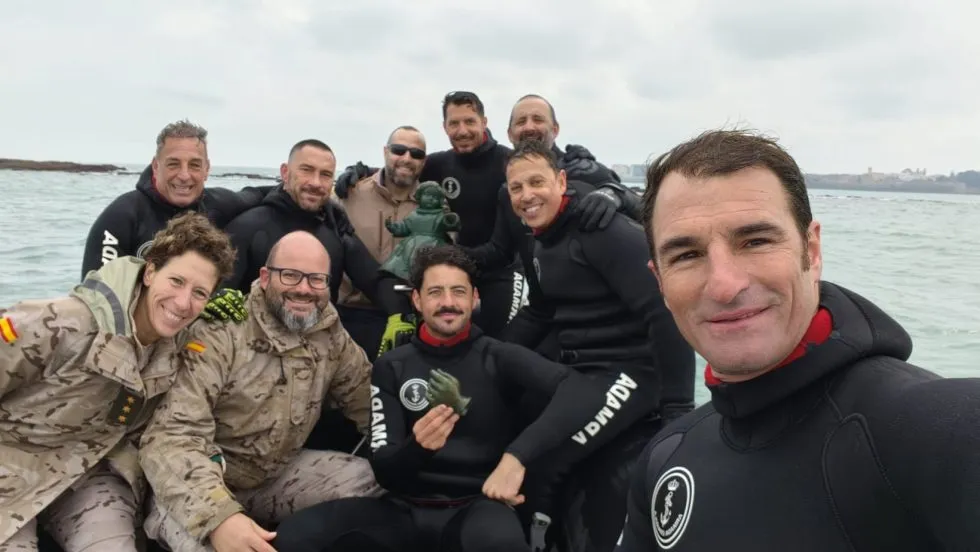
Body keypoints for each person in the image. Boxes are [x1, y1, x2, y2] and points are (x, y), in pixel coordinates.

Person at [617, 129, 980, 551]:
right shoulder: (666, 457)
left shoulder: (935, 427)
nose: (723, 285)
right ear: (659, 281)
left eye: (755, 241)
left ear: (812, 249)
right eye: (687, 255)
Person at [270, 245, 603, 552]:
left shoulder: (499, 357)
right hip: (403, 508)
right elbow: (386, 470)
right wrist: (419, 447)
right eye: (435, 292)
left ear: (474, 298)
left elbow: (582, 391)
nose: (448, 302)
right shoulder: (393, 366)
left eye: (458, 291)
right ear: (417, 300)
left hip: (478, 506)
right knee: (293, 537)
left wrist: (517, 457)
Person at [0, 212, 237, 552]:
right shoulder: (62, 322)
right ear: (151, 271)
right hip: (10, 464)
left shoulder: (180, 349)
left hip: (88, 474)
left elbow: (173, 424)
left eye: (200, 293)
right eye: (176, 281)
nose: (184, 303)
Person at [502, 139, 696, 552]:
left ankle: (538, 542)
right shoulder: (541, 240)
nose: (527, 195)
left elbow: (664, 309)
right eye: (516, 188)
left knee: (538, 461)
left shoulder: (598, 229)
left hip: (629, 374)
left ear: (561, 180)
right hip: (582, 372)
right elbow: (540, 311)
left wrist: (678, 409)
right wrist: (489, 353)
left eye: (536, 182)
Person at [138, 231, 381, 552]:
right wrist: (220, 517)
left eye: (317, 279)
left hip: (274, 476)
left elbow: (369, 404)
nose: (304, 289)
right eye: (291, 275)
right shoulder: (220, 332)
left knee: (377, 485)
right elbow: (171, 439)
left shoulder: (329, 332)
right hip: (196, 485)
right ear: (265, 277)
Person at [79, 119, 269, 280]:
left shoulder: (218, 204)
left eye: (194, 165)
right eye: (173, 164)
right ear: (155, 166)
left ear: (207, 169)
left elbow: (258, 195)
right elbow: (95, 295)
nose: (184, 175)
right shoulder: (122, 216)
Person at [333, 125, 429, 361]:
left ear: (423, 162)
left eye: (416, 154)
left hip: (407, 317)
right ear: (385, 152)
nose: (407, 158)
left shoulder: (434, 206)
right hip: (350, 315)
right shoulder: (348, 195)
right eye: (399, 150)